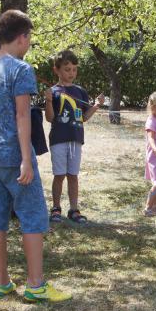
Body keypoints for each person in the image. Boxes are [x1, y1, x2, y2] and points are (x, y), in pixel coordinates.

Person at [0, 9, 71, 302]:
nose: (29, 43)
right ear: (22, 37)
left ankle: (2, 282)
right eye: (29, 38)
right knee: (33, 217)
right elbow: (22, 115)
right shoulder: (21, 69)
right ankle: (35, 284)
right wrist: (26, 159)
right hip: (14, 155)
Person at [43, 49, 104, 225]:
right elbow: (50, 118)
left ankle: (74, 209)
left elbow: (83, 117)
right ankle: (55, 208)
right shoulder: (53, 91)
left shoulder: (80, 92)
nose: (71, 73)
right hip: (58, 140)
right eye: (67, 69)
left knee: (73, 175)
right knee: (59, 174)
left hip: (76, 140)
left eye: (74, 69)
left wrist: (97, 105)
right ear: (57, 70)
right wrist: (47, 101)